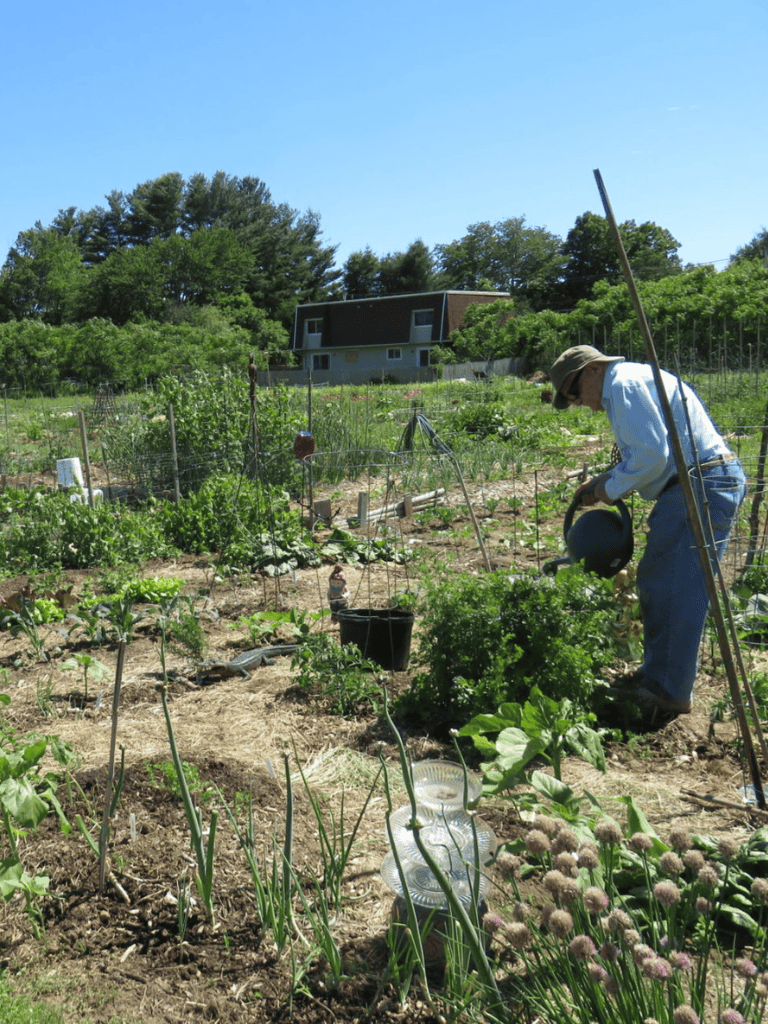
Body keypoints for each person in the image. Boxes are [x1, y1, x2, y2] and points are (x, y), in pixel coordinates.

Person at [549, 344, 747, 721]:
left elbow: (653, 455)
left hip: (698, 486)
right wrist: (607, 479)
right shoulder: (632, 381)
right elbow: (656, 452)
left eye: (574, 393)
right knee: (663, 582)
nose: (580, 404)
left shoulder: (622, 386)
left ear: (591, 370)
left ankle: (668, 691)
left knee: (677, 587)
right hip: (698, 482)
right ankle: (660, 676)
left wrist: (609, 490)